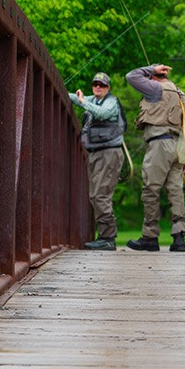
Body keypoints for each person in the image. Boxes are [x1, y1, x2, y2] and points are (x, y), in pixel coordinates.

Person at [124, 63, 185, 252]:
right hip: (178, 146)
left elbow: (131, 75)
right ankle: (179, 238)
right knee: (175, 191)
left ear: (154, 77)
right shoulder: (181, 94)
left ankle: (150, 237)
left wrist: (152, 68)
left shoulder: (155, 88)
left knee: (151, 190)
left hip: (159, 144)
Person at [69, 72, 125, 251]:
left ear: (108, 87)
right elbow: (75, 98)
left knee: (101, 195)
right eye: (95, 84)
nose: (98, 87)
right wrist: (66, 93)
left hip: (109, 153)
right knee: (94, 195)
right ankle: (104, 236)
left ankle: (108, 237)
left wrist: (83, 101)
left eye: (101, 85)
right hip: (95, 154)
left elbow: (101, 114)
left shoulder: (111, 102)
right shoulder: (93, 99)